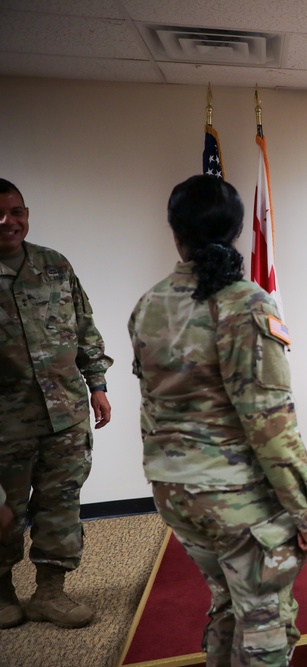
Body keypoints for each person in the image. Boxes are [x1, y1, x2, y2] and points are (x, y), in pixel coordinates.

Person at [128, 175, 307, 667]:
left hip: (174, 490)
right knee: (264, 616)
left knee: (226, 601)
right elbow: (269, 422)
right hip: (235, 498)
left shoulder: (149, 304)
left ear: (175, 232)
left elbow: (151, 403)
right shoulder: (248, 304)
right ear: (238, 231)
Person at [0, 178, 113, 630]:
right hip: (6, 424)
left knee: (61, 504)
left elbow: (84, 326)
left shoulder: (53, 265)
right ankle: (2, 591)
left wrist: (98, 384)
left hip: (65, 414)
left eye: (17, 212)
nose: (9, 222)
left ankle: (50, 592)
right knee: (6, 511)